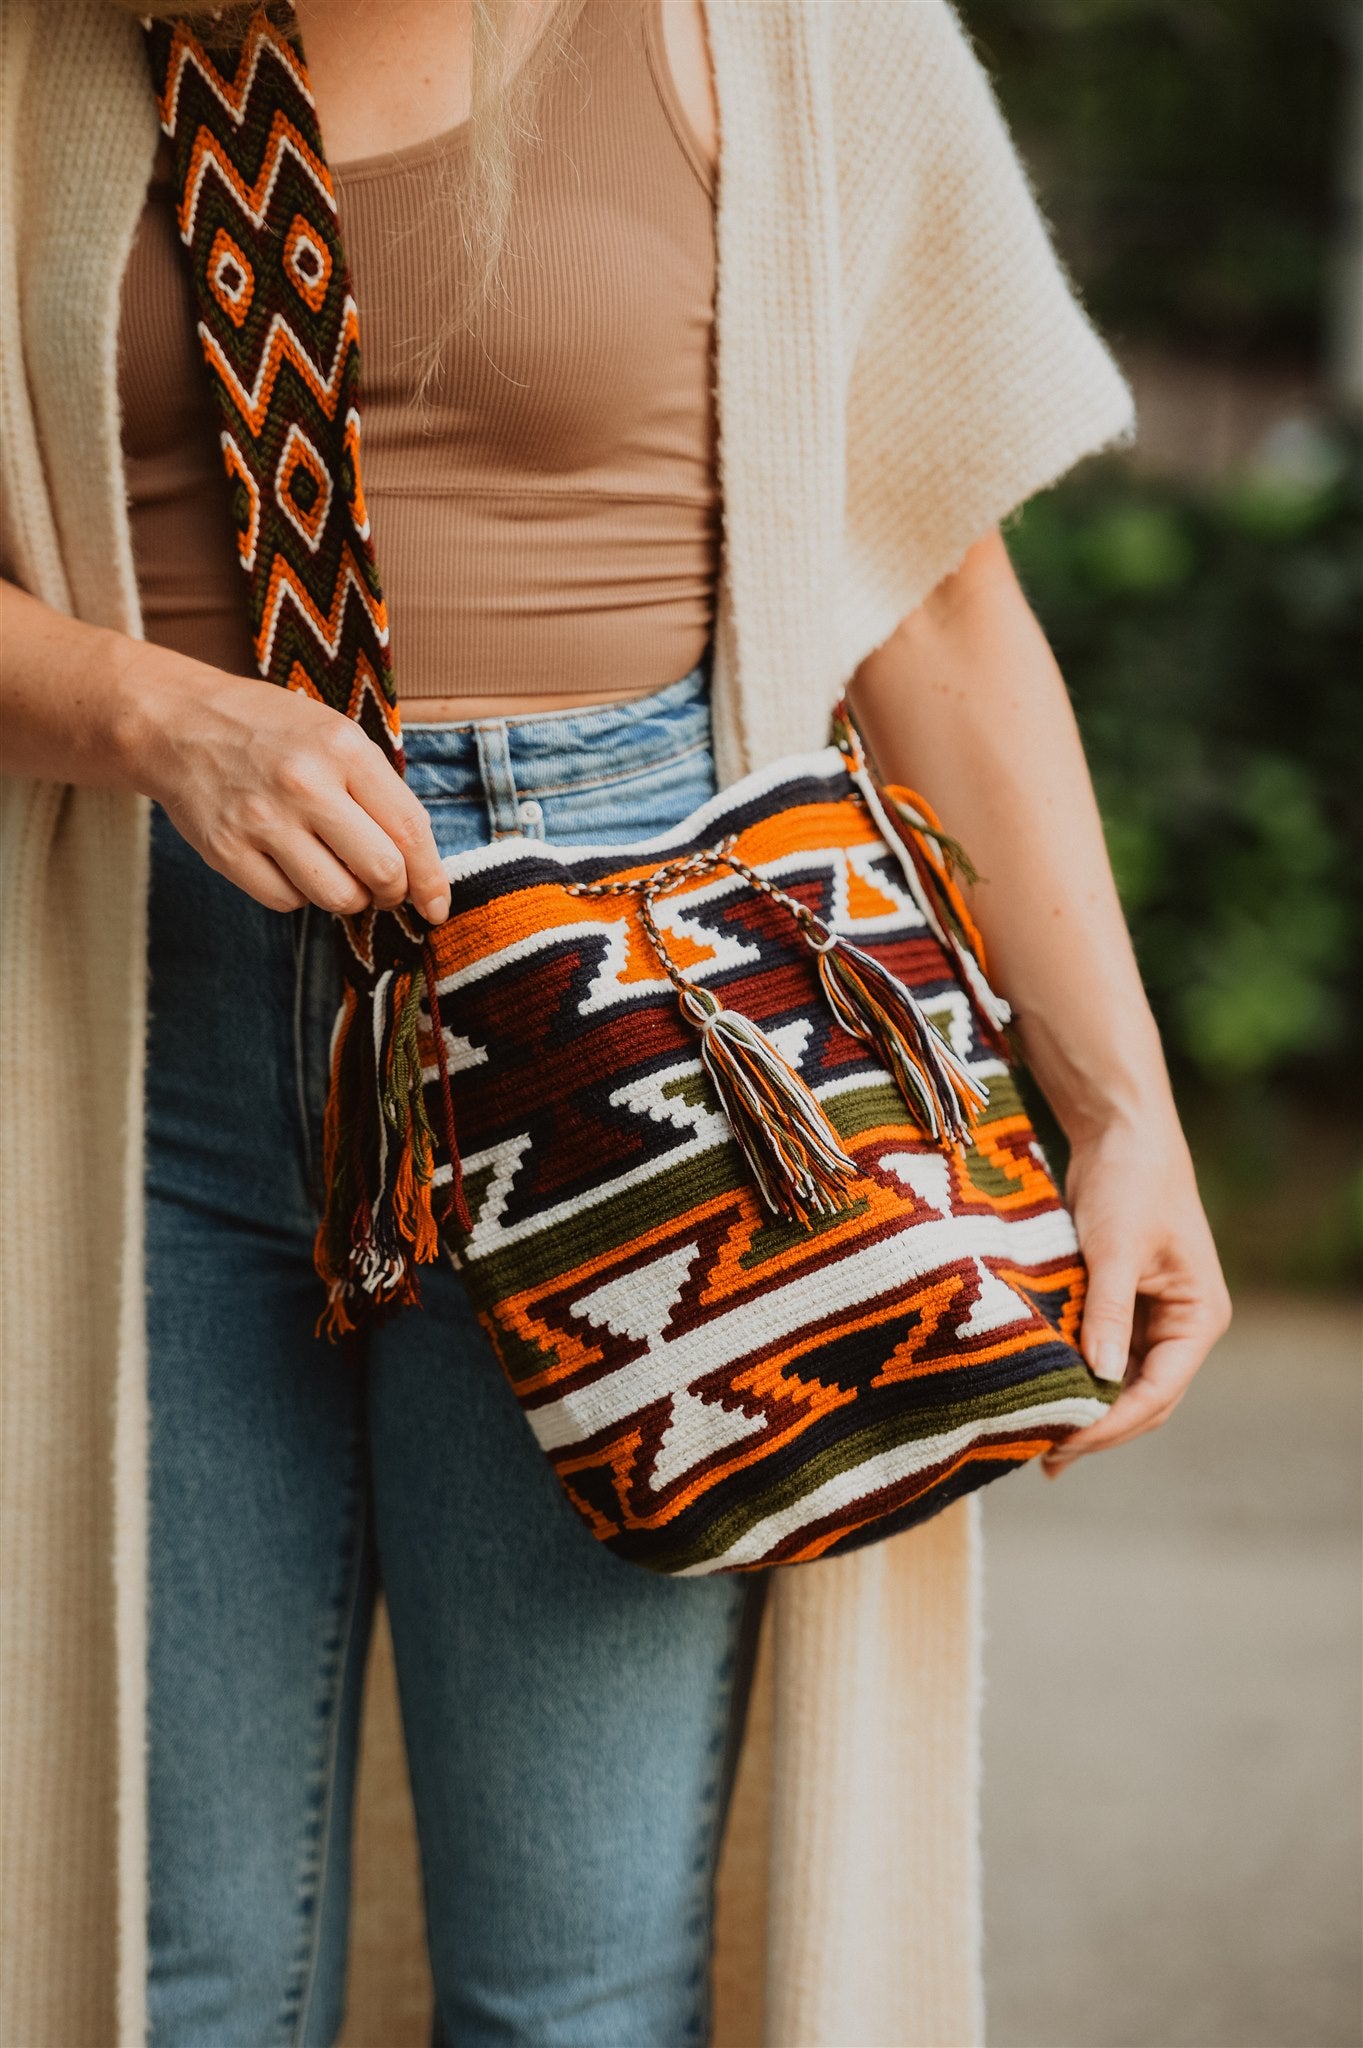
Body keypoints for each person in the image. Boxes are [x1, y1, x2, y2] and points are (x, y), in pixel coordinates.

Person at [0, 1, 1231, 2043]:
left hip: (655, 1071)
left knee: (567, 1986)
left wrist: (1120, 1109)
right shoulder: (50, 47)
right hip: (151, 1032)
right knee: (156, 1973)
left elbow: (928, 594)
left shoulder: (783, 37)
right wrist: (149, 710)